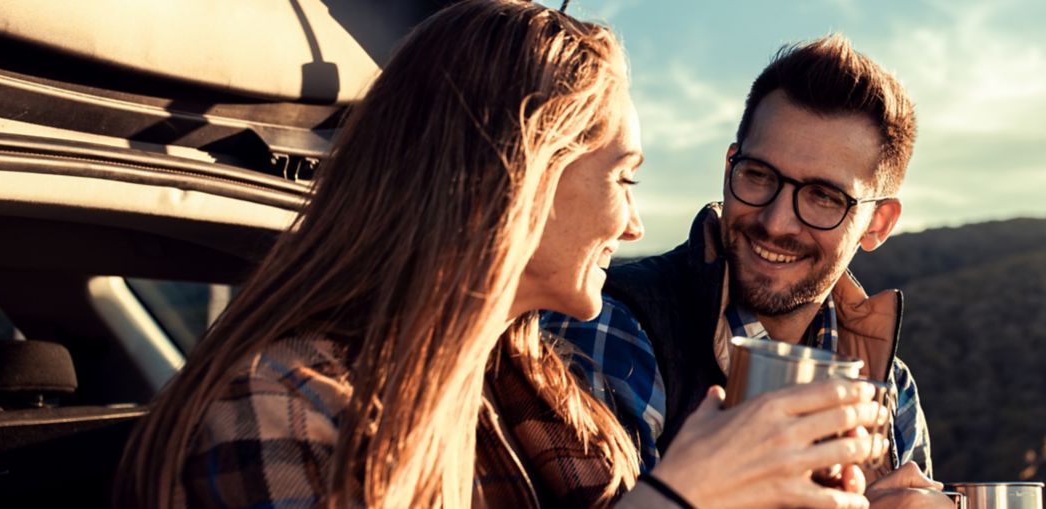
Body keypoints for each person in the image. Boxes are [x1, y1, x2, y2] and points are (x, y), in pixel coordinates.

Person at [114, 2, 888, 508]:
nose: (632, 226)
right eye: (624, 177)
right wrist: (683, 496)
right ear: (519, 182)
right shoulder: (283, 405)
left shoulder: (532, 391)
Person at [543, 35, 950, 506]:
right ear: (729, 165)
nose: (776, 222)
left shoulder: (890, 389)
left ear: (877, 224)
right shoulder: (612, 325)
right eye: (759, 175)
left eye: (823, 197)